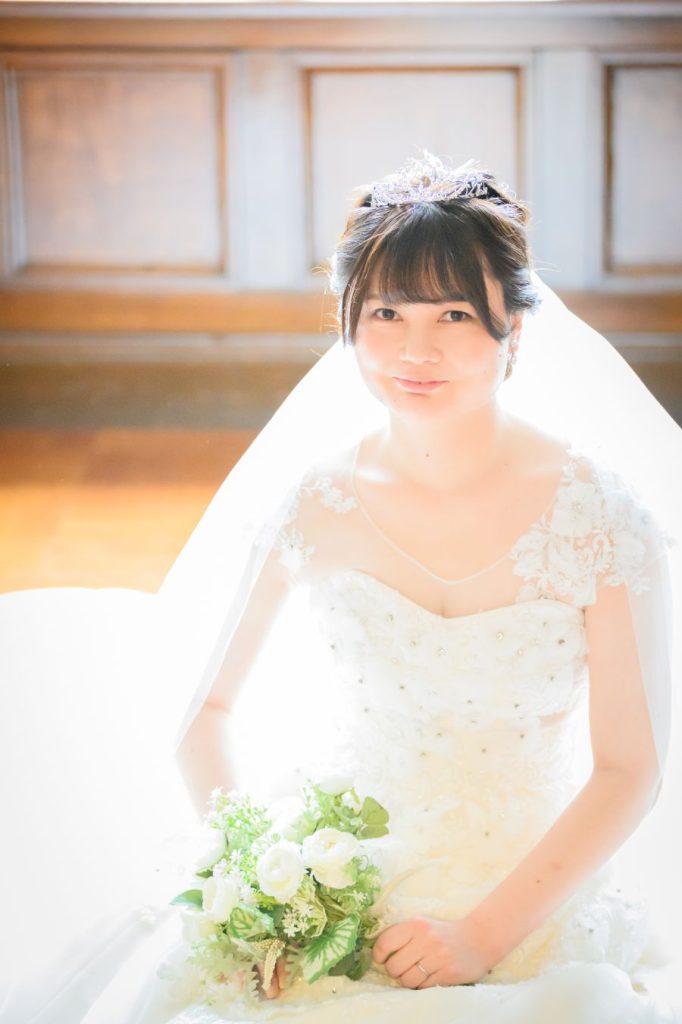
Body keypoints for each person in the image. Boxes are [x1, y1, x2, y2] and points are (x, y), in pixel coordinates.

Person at [1, 152, 681, 1024]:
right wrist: (262, 896)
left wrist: (480, 937)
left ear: (514, 328)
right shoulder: (318, 502)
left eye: (454, 313)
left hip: (529, 893)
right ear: (349, 323)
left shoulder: (602, 519)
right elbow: (206, 711)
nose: (415, 349)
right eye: (386, 313)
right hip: (340, 876)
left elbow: (630, 769)